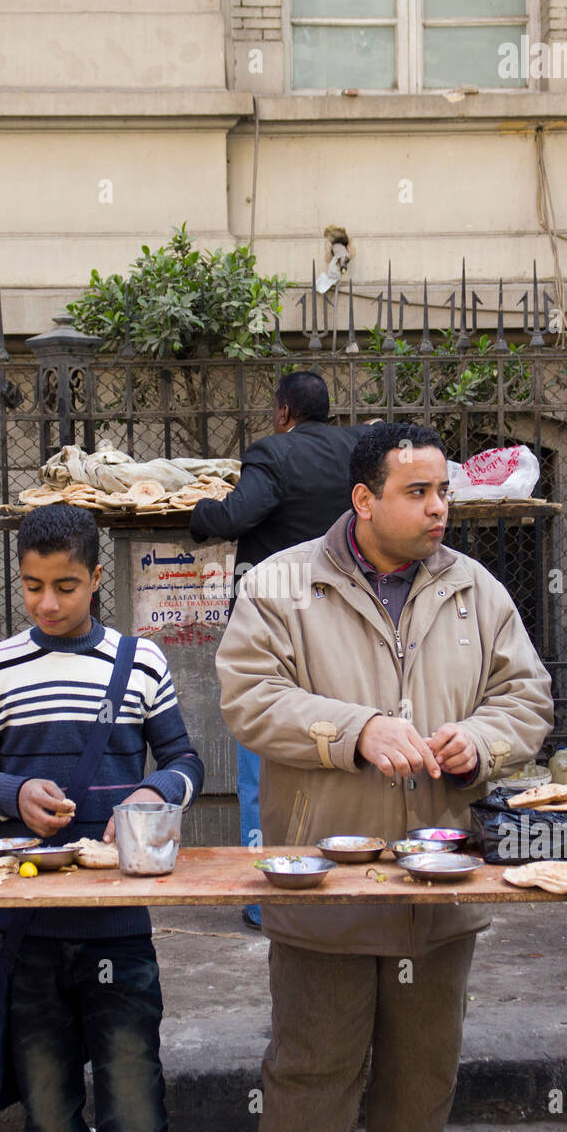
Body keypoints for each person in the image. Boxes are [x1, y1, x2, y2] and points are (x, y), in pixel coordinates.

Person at [217, 423, 552, 1132]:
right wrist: (355, 728)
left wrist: (481, 740)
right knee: (310, 1076)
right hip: (325, 889)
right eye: (418, 492)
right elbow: (248, 697)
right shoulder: (280, 582)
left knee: (422, 1083)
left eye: (444, 491)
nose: (440, 508)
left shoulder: (475, 586)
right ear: (364, 499)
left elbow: (526, 697)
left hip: (438, 889)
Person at [0, 504, 203, 1132]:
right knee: (52, 1129)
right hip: (24, 929)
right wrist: (12, 794)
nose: (48, 602)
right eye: (32, 586)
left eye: (65, 586)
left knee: (137, 1123)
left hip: (117, 926)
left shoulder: (139, 661)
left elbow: (186, 762)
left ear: (95, 578)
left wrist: (153, 793)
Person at [191, 369, 368, 930]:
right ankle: (348, 884)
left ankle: (267, 900)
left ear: (282, 411)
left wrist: (199, 513)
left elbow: (235, 516)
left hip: (279, 632)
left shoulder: (273, 452)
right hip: (350, 631)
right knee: (346, 755)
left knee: (262, 765)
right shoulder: (360, 453)